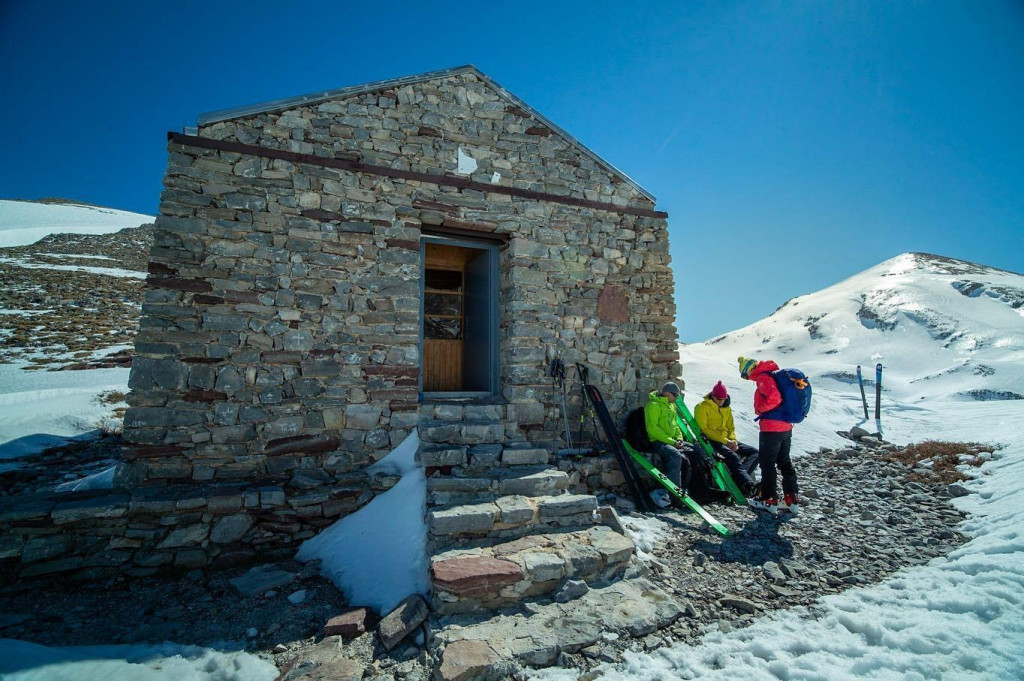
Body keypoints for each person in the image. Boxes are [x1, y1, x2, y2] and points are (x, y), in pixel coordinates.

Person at [738, 356, 806, 514]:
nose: (746, 379)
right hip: (785, 426)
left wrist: (761, 409)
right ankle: (791, 499)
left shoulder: (763, 378)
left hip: (771, 427)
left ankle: (768, 500)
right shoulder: (772, 374)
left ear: (748, 370)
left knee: (767, 463)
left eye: (744, 375)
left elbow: (774, 398)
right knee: (784, 461)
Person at [693, 381, 759, 496]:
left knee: (755, 453)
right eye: (719, 399)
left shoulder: (726, 408)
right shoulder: (701, 407)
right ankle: (747, 483)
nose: (721, 401)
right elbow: (704, 429)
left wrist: (733, 440)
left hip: (727, 440)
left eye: (723, 399)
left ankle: (739, 479)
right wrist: (726, 441)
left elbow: (730, 427)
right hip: (711, 440)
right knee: (732, 456)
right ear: (712, 396)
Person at [643, 382, 690, 507]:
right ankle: (674, 494)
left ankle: (694, 491)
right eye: (675, 395)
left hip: (672, 441)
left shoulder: (671, 406)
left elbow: (675, 426)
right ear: (666, 393)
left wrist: (679, 439)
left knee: (695, 451)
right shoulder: (653, 405)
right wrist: (673, 442)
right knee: (675, 456)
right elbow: (653, 429)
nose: (676, 398)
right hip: (657, 441)